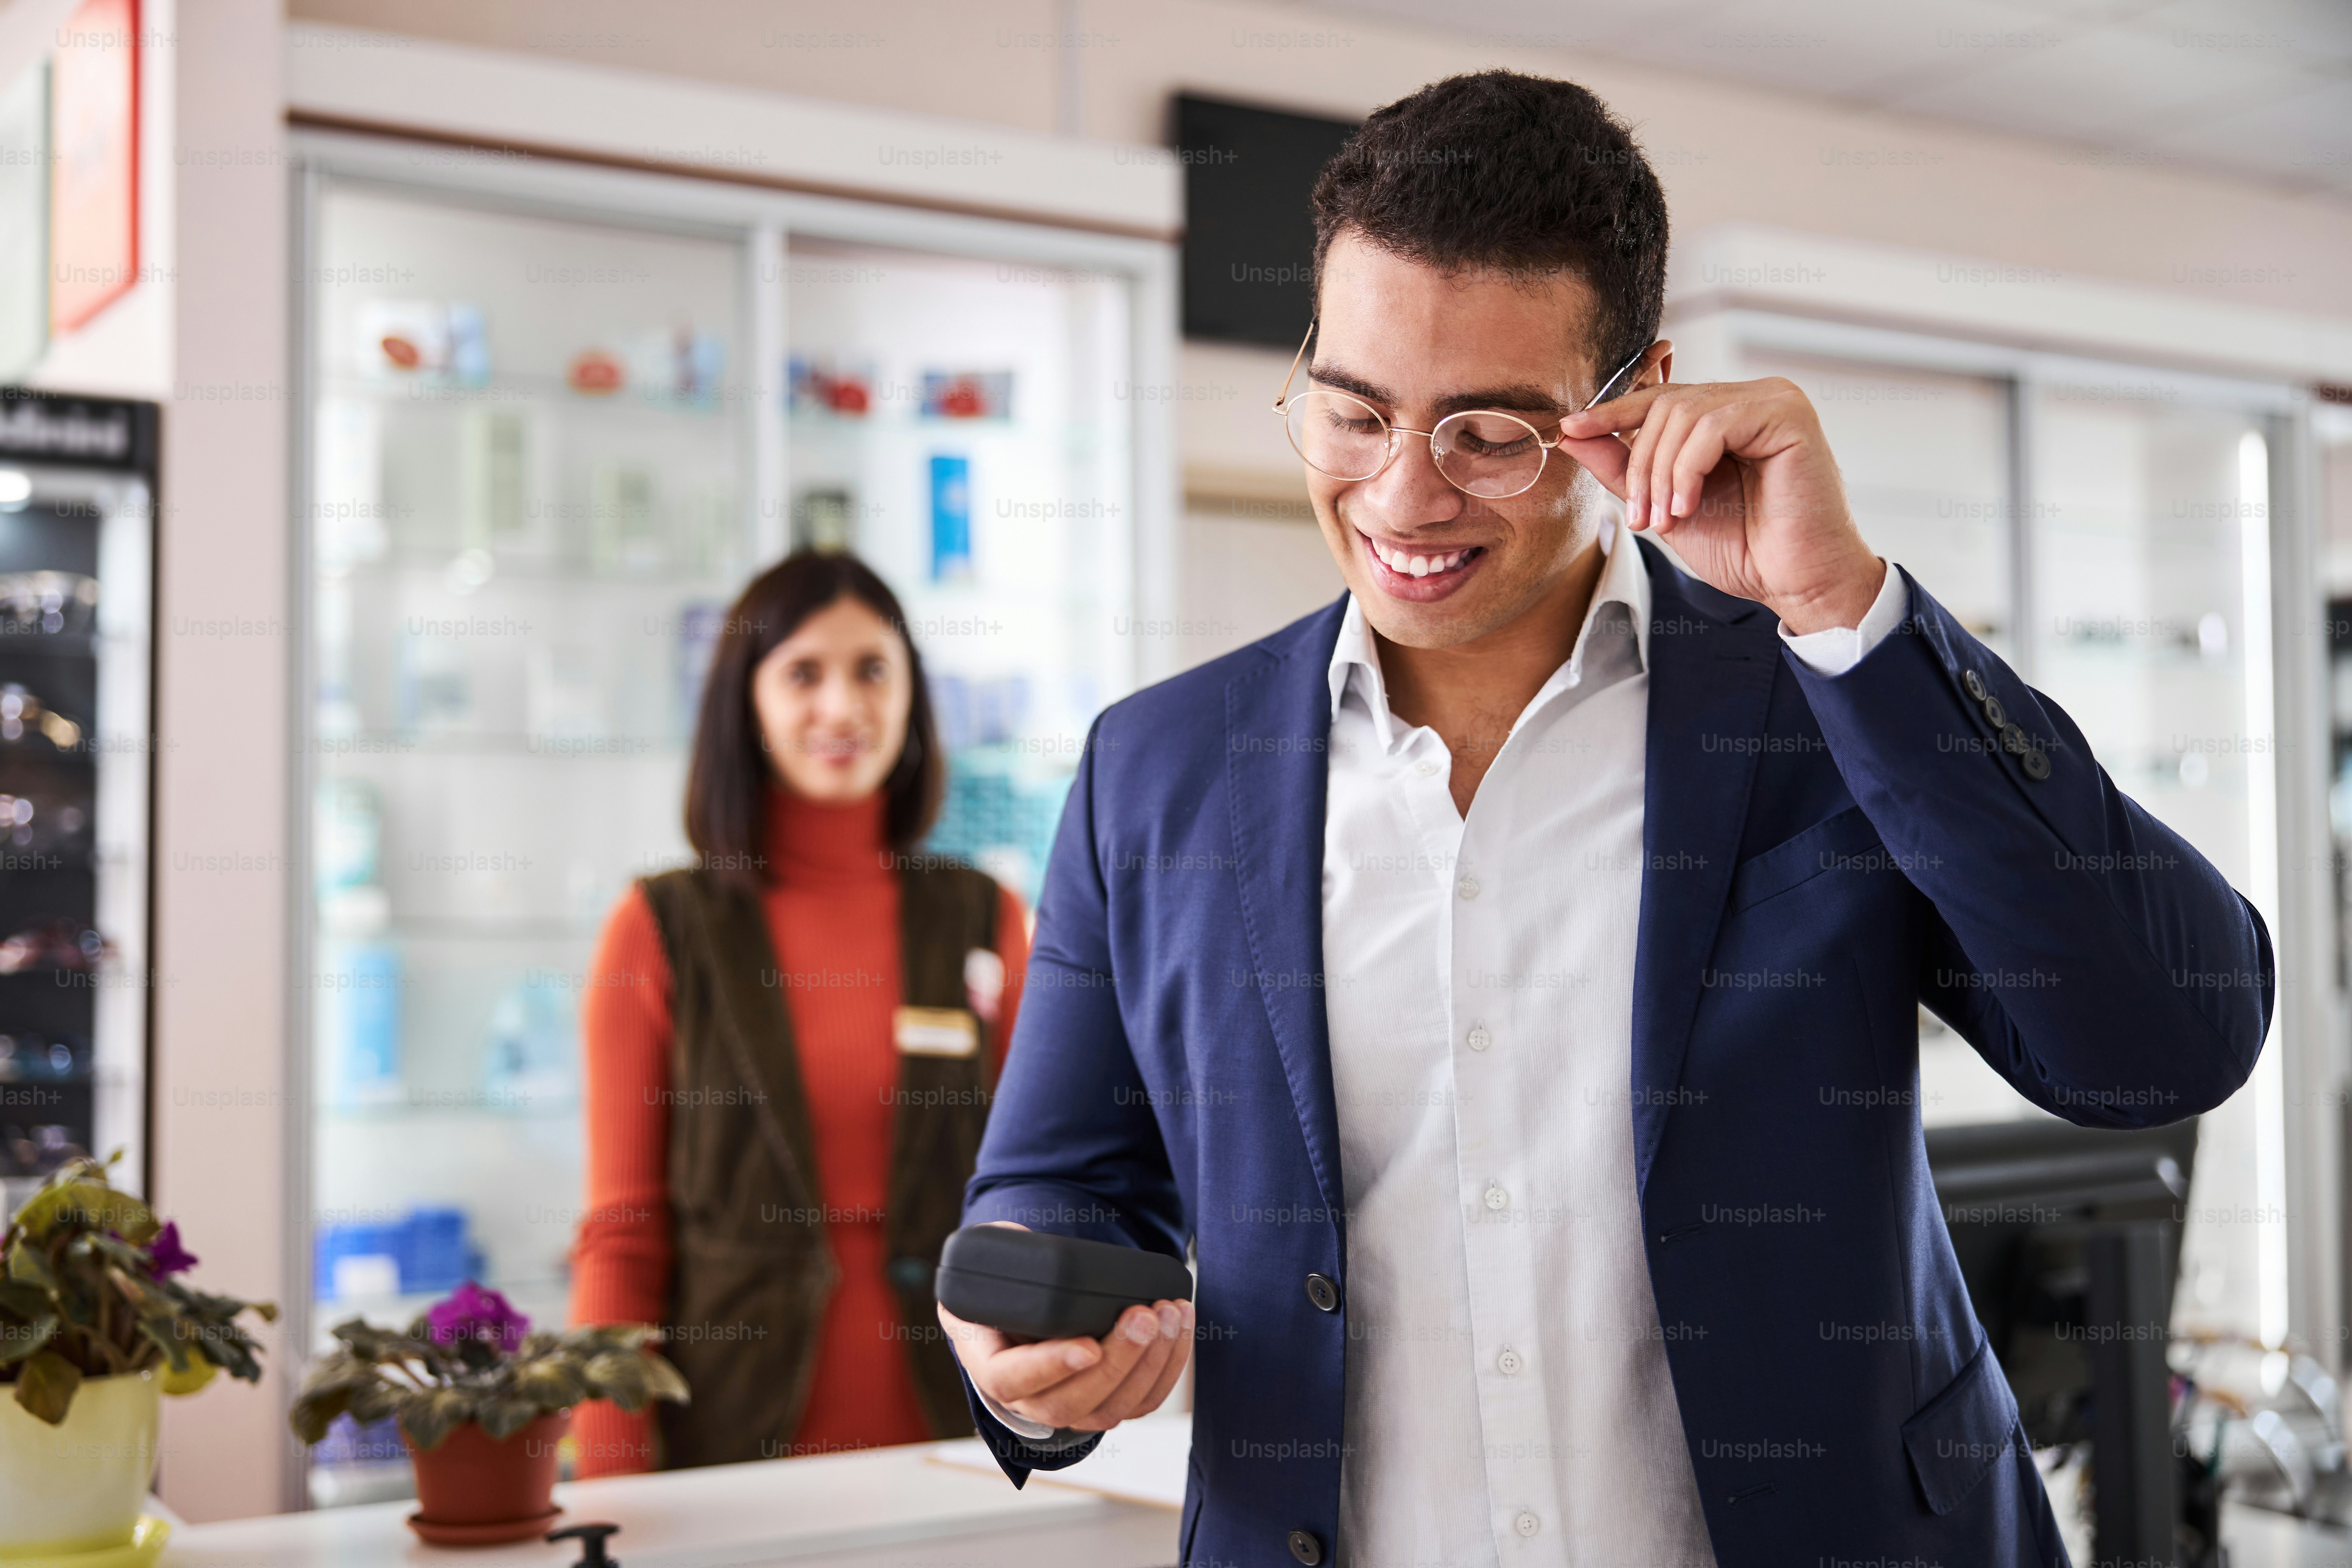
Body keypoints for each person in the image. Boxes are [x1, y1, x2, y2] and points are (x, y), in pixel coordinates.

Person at [941, 70, 2272, 1568]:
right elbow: (1057, 1179)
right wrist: (1033, 1357)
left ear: (1634, 394)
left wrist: (1847, 617)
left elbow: (2173, 1035)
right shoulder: (1157, 767)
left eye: (1489, 434)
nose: (1402, 494)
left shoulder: (1823, 701)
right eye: (1352, 410)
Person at [569, 550, 1027, 1475]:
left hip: (960, 1450)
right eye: (803, 674)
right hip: (732, 1452)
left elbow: (1037, 1189)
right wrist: (611, 1483)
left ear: (912, 696)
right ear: (748, 703)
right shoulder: (661, 929)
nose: (843, 708)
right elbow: (624, 1234)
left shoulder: (983, 916)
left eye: (872, 669)